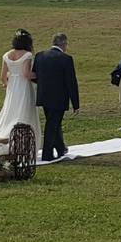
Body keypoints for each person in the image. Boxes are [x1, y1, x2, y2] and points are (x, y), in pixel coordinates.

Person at [33, 33, 80, 161]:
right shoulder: (66, 59)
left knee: (54, 122)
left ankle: (60, 148)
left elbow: (36, 76)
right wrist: (76, 104)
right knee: (52, 124)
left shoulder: (40, 56)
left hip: (44, 95)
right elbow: (71, 82)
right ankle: (47, 154)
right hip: (59, 97)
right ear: (64, 44)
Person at [0, 29, 42, 141]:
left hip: (12, 86)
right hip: (24, 86)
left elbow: (2, 76)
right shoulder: (27, 55)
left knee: (10, 110)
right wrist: (40, 75)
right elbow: (26, 74)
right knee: (24, 110)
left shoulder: (6, 55)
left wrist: (8, 86)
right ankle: (23, 141)